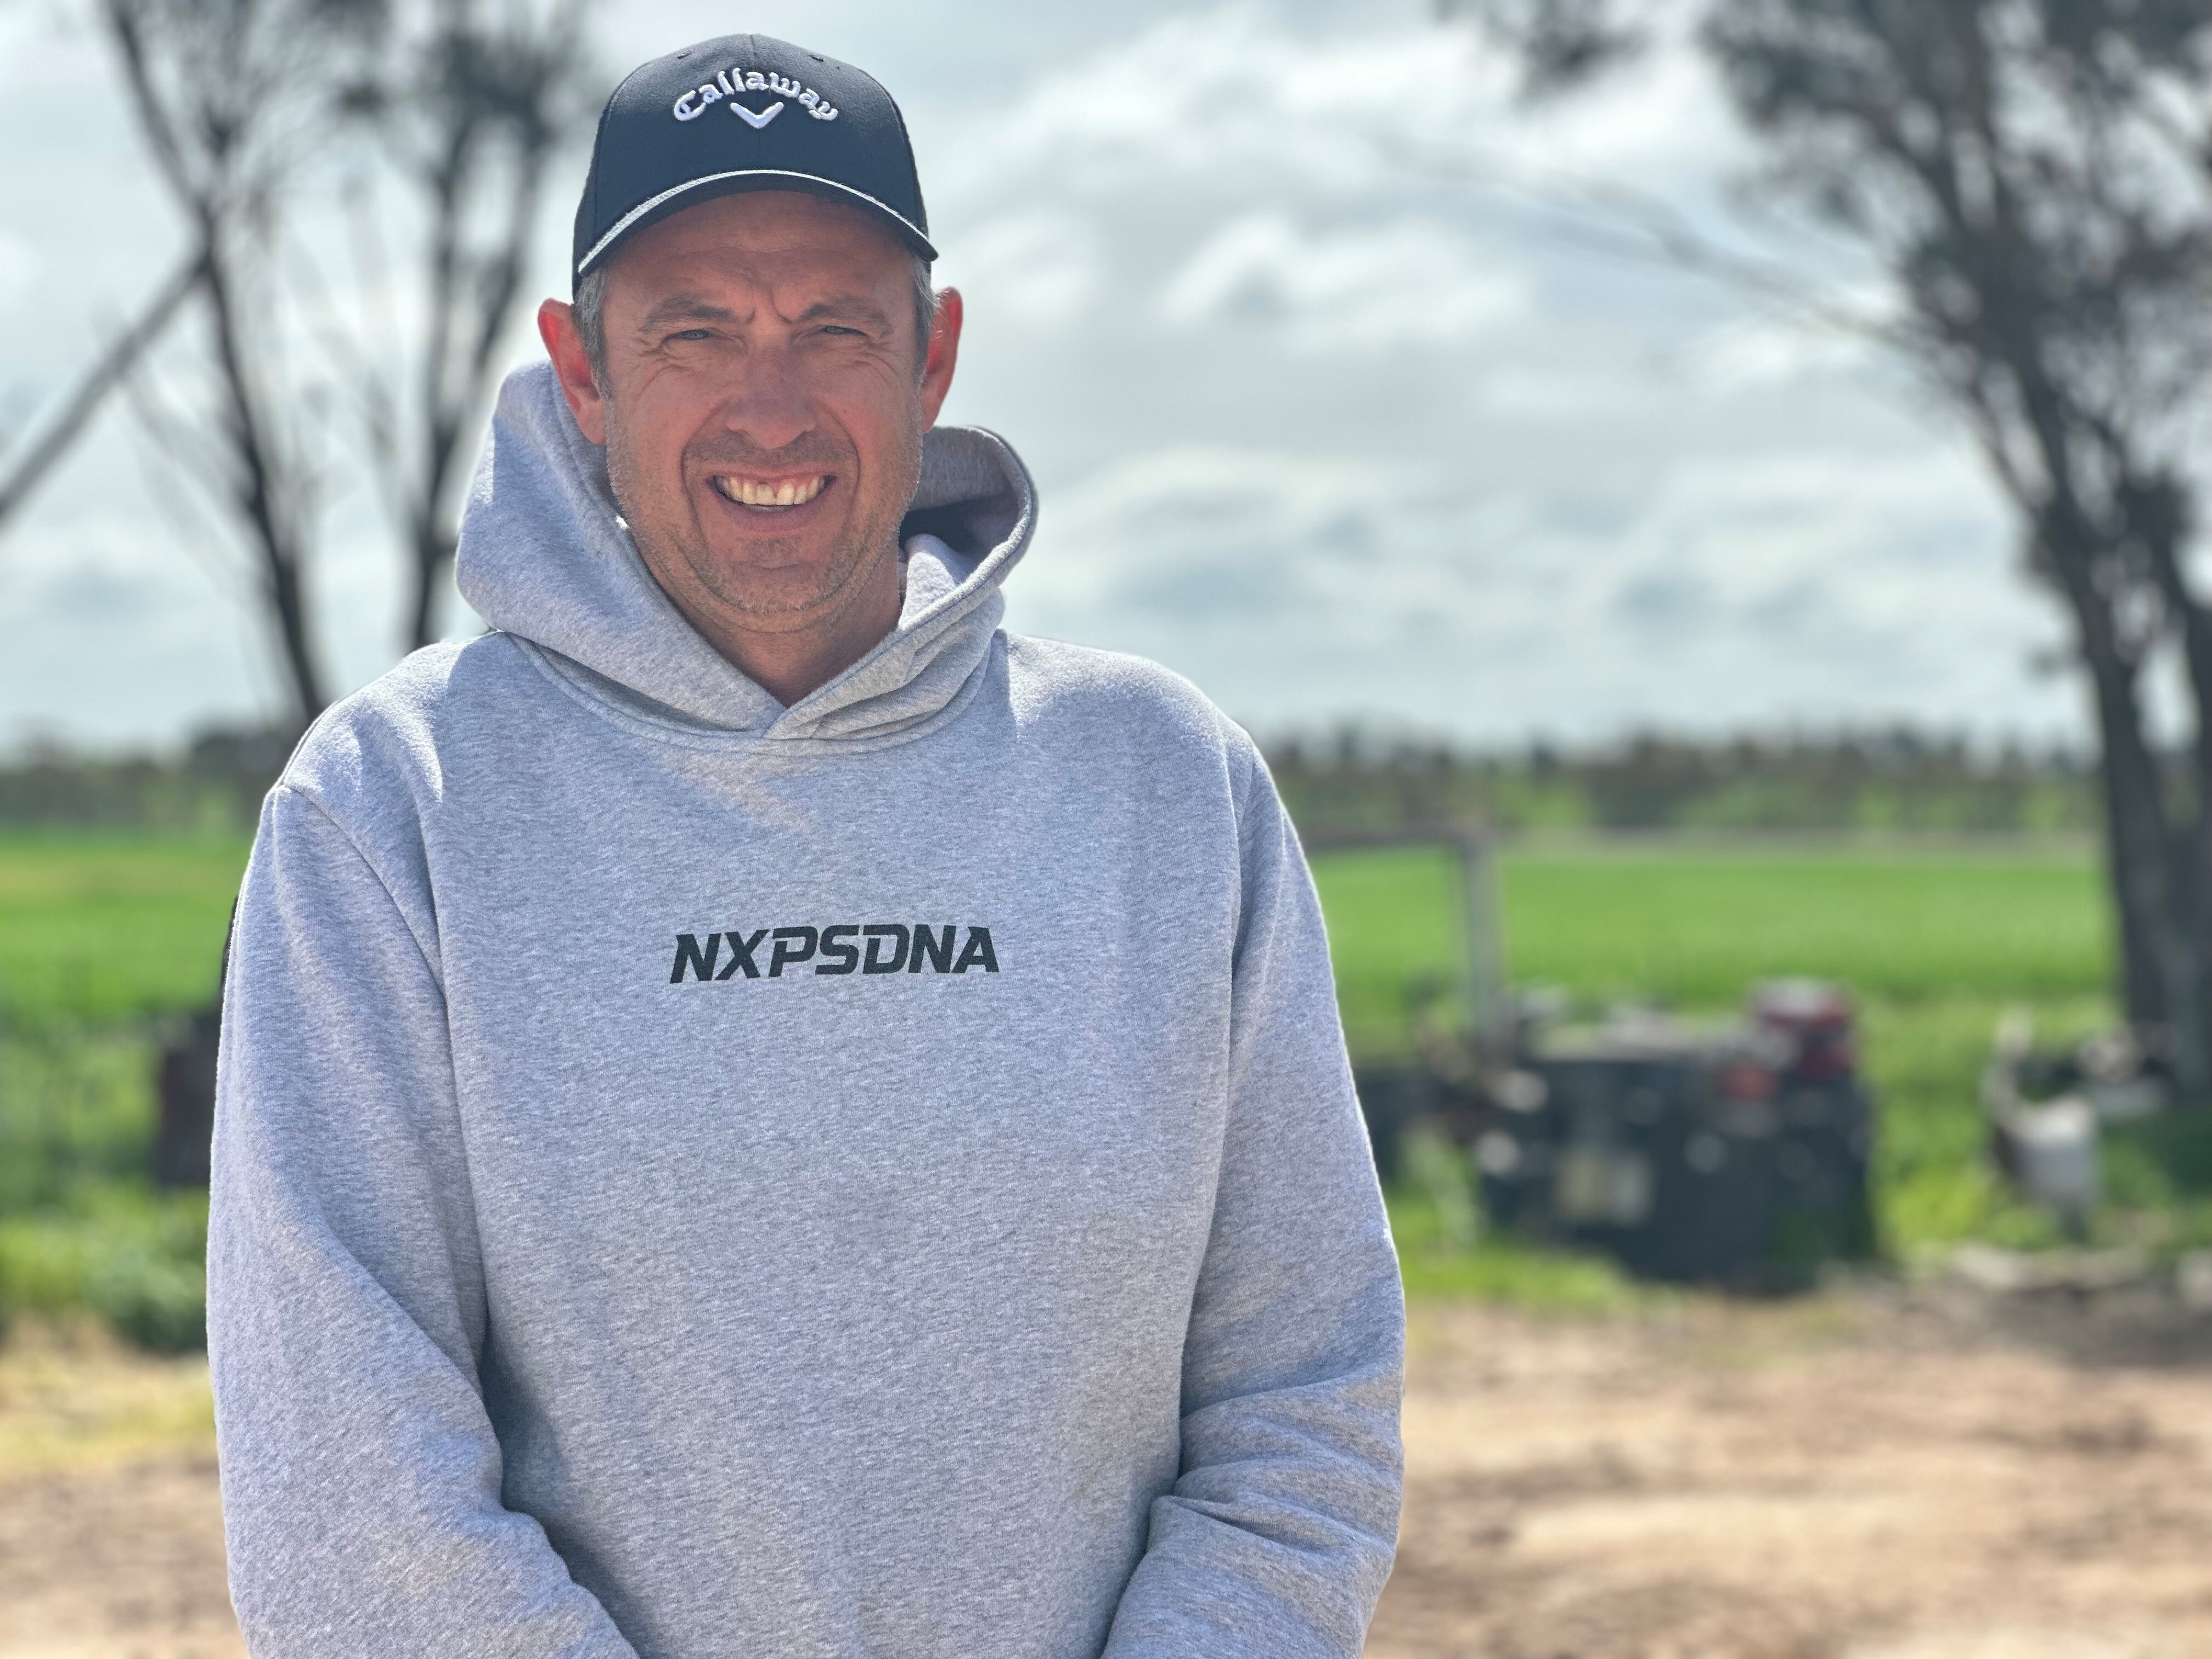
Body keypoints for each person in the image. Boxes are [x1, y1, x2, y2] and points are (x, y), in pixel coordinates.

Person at [207, 32, 1403, 1659]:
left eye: (834, 326)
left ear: (932, 360)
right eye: (693, 328)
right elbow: (350, 1509)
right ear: (583, 370)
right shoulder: (390, 809)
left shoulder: (1164, 792)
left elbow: (1302, 1394)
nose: (768, 405)